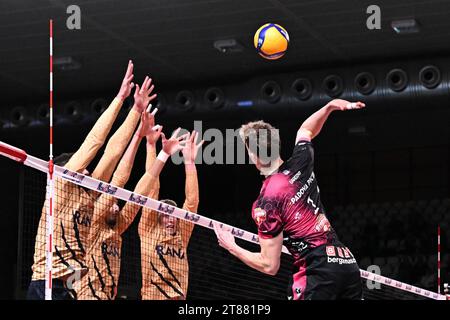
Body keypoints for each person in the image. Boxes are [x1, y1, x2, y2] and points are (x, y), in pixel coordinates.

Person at [27, 61, 157, 300]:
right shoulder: (61, 185)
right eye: (83, 168)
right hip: (47, 284)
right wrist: (120, 98)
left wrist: (136, 111)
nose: (88, 172)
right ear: (68, 170)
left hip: (71, 284)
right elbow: (94, 143)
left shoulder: (89, 194)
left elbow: (112, 155)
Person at [214, 99, 365, 300]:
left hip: (316, 271)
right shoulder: (301, 161)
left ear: (253, 156)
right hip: (346, 263)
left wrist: (231, 246)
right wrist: (330, 106)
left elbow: (269, 265)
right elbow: (306, 130)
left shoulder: (266, 202)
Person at [77, 114, 192, 300]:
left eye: (117, 205)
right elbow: (122, 183)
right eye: (112, 204)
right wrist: (142, 138)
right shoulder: (94, 222)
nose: (116, 208)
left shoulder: (118, 229)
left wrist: (157, 151)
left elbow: (141, 196)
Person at [139, 131, 203, 300]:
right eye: (166, 215)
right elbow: (151, 191)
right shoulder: (148, 231)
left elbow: (192, 203)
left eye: (173, 215)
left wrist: (189, 162)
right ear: (158, 219)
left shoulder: (182, 234)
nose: (171, 219)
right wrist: (151, 147)